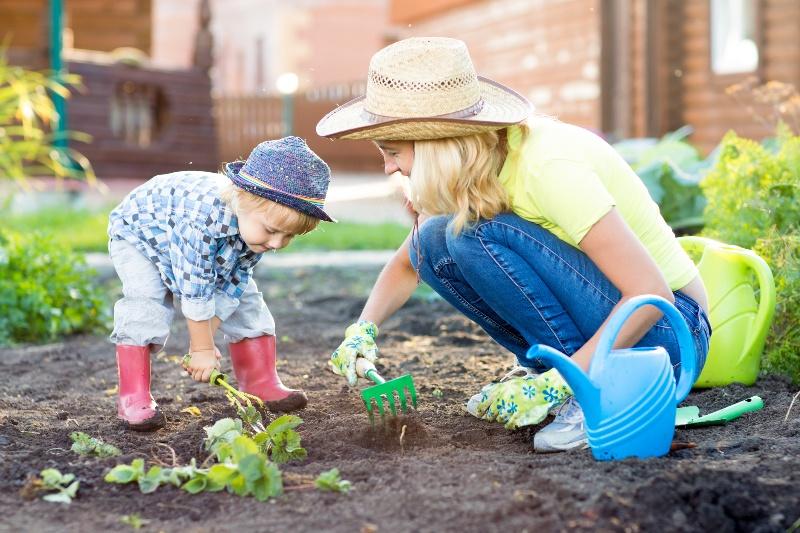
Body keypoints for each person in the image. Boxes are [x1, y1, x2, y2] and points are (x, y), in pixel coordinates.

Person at [316, 37, 711, 452]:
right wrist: (362, 330)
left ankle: (586, 390)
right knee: (434, 238)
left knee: (472, 234)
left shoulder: (548, 168)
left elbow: (650, 294)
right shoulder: (484, 163)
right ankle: (549, 370)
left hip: (666, 340)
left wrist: (562, 384)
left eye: (393, 152)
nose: (388, 167)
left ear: (438, 146)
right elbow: (409, 262)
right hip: (627, 329)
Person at [108, 137, 335, 430]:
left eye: (288, 236)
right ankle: (133, 396)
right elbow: (196, 286)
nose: (277, 243)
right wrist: (202, 348)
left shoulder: (255, 230)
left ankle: (260, 381)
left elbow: (233, 284)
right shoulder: (200, 220)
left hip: (192, 242)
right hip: (140, 236)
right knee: (146, 302)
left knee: (248, 302)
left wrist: (206, 336)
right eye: (272, 231)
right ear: (241, 199)